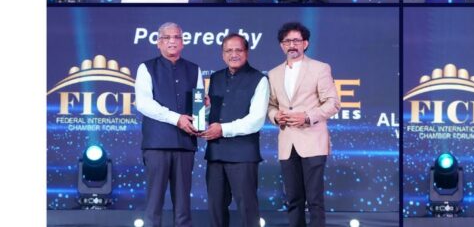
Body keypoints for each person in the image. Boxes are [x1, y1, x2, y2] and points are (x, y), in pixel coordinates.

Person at [267, 22, 341, 227]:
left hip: (312, 141)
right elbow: (271, 105)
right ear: (281, 45)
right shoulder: (273, 73)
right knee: (293, 199)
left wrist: (307, 117)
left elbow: (333, 103)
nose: (292, 45)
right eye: (287, 41)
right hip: (287, 143)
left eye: (296, 41)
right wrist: (275, 116)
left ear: (305, 43)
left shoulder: (320, 68)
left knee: (315, 200)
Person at [134, 22, 203, 227]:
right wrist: (176, 118)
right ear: (158, 42)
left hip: (185, 144)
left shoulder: (194, 69)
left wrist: (202, 115)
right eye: (167, 37)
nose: (172, 41)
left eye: (177, 37)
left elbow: (198, 105)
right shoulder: (147, 68)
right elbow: (144, 104)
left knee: (183, 207)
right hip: (157, 145)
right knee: (154, 205)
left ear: (183, 42)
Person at [202, 34, 269, 227]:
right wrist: (205, 110)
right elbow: (212, 116)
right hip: (216, 153)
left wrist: (223, 129)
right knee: (216, 210)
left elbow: (256, 120)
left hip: (243, 155)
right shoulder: (215, 78)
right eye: (229, 50)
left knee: (248, 210)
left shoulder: (259, 79)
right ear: (222, 54)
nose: (234, 54)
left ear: (247, 52)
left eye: (238, 50)